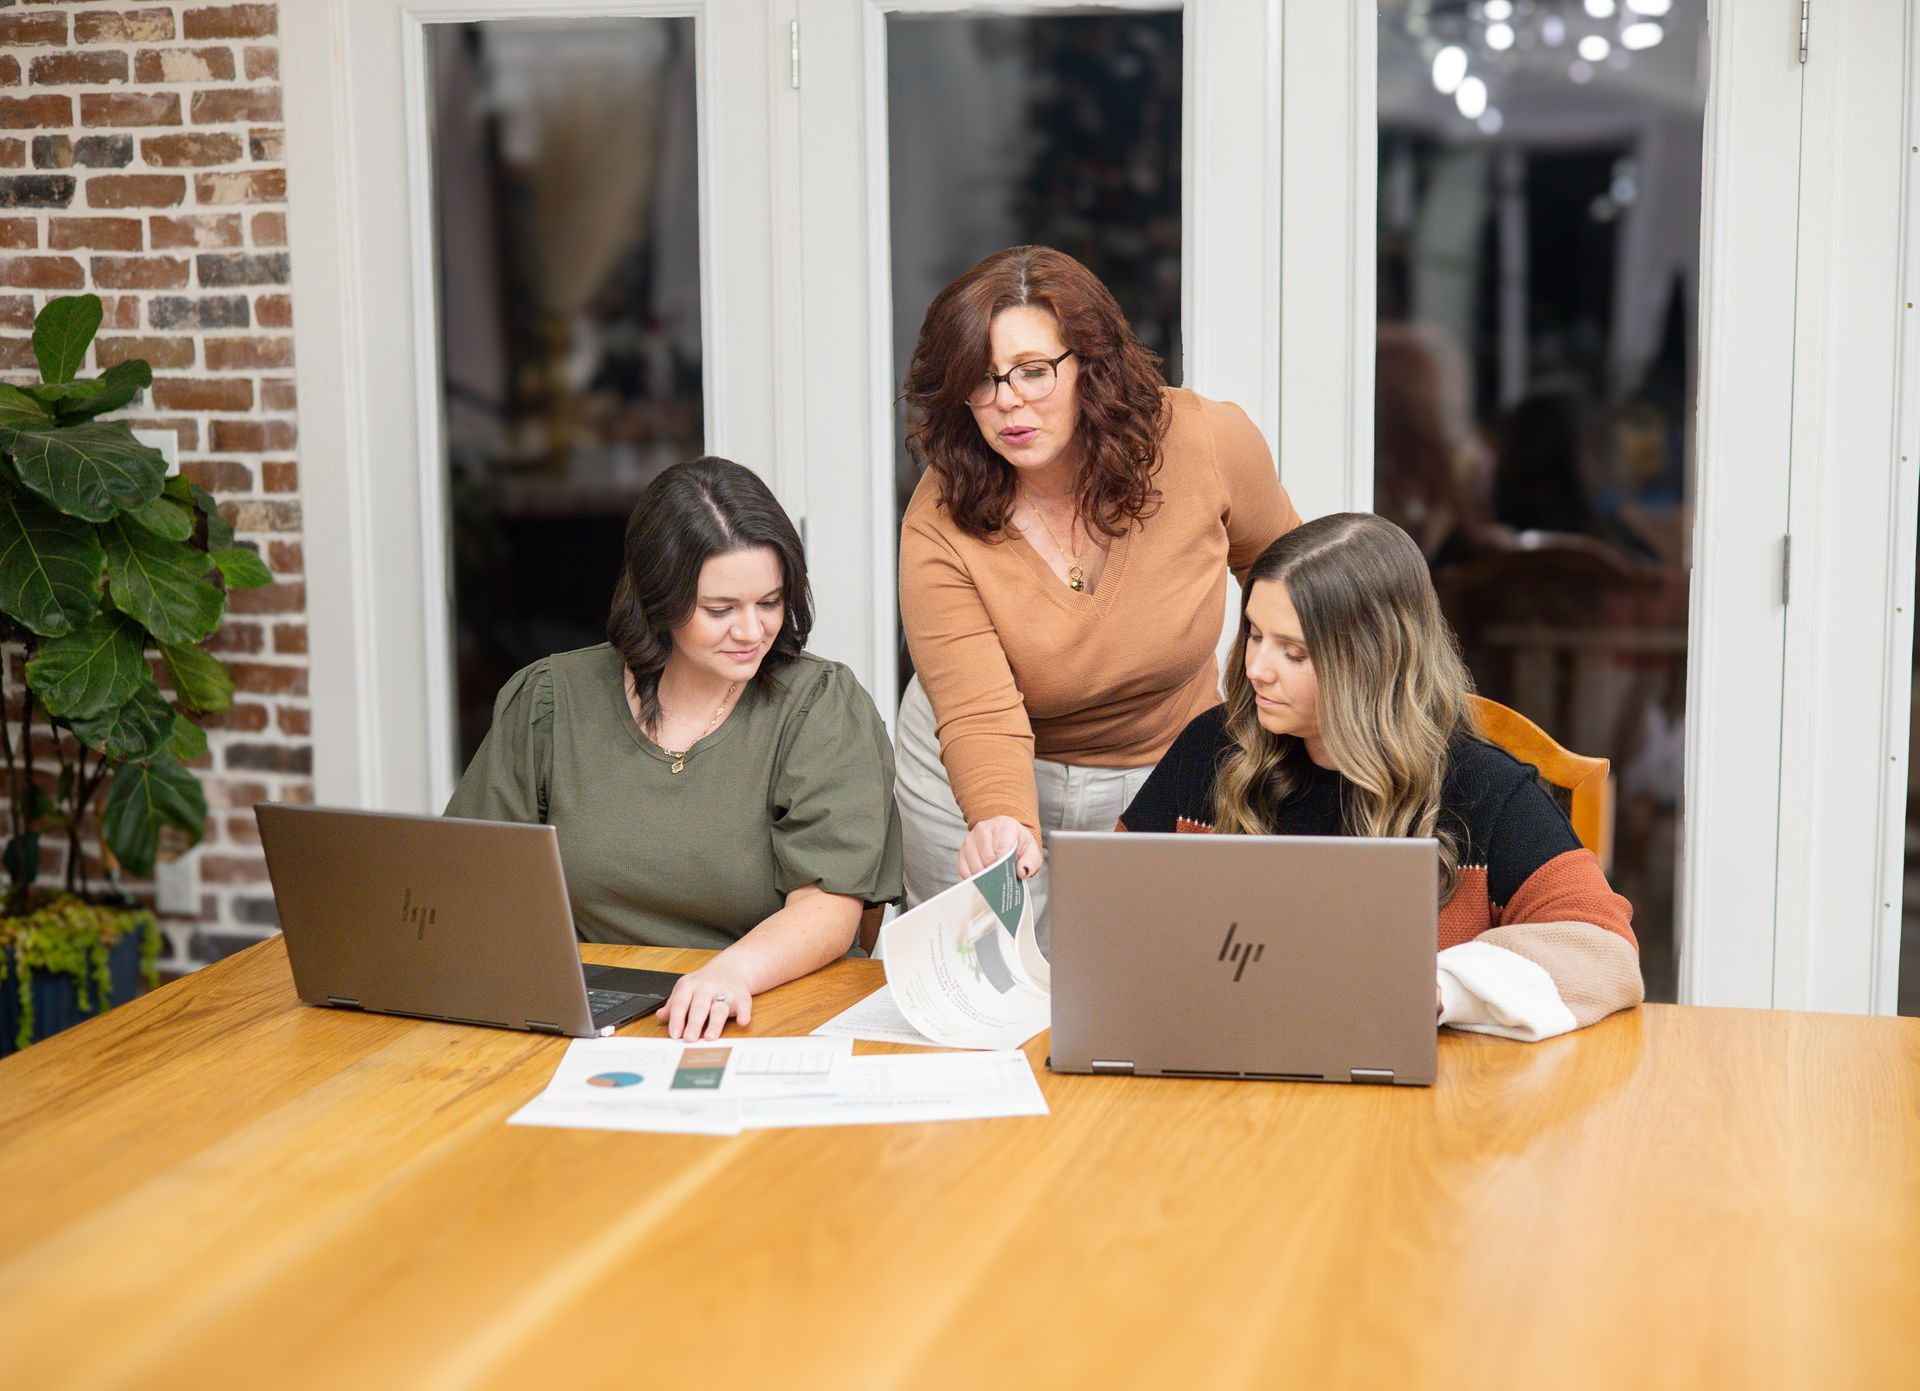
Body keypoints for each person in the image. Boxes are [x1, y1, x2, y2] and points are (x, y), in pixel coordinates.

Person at [896, 245, 1302, 936]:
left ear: (1092, 362)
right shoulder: (940, 517)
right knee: (992, 1009)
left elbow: (1299, 586)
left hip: (1171, 763)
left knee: (1153, 989)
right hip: (981, 771)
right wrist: (1000, 820)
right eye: (982, 380)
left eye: (1033, 371)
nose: (1008, 402)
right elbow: (979, 714)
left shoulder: (1206, 442)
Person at [1117, 512, 1643, 1041]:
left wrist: (1443, 988)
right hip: (1219, 1074)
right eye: (1255, 635)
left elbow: (1606, 952)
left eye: (1294, 651)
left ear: (1374, 663)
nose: (1256, 668)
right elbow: (1113, 914)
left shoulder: (1484, 788)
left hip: (1409, 1104)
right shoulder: (1213, 748)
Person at [446, 457, 903, 1040]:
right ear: (657, 597)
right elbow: (475, 877)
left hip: (758, 1005)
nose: (751, 631)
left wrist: (730, 972)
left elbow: (831, 911)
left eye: (769, 602)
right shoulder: (550, 700)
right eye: (720, 610)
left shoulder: (820, 707)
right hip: (586, 1014)